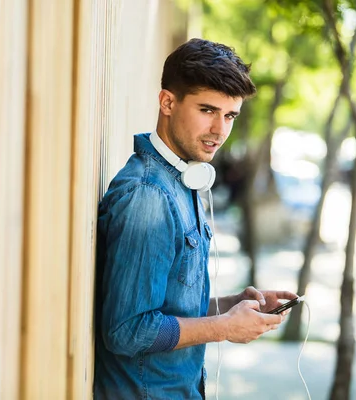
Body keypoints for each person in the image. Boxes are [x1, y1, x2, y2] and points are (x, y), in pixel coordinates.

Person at [94, 38, 298, 399]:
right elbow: (127, 330)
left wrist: (230, 306)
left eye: (230, 115)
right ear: (167, 102)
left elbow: (167, 305)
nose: (220, 130)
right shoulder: (149, 197)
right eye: (208, 110)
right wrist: (223, 328)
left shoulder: (184, 181)